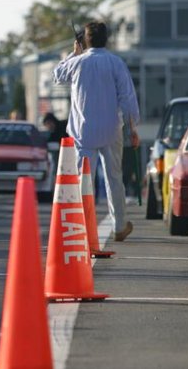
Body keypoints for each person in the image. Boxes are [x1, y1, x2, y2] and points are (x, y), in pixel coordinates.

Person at [53, 21, 140, 242]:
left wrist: (74, 54)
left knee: (84, 180)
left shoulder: (78, 62)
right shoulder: (115, 62)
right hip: (112, 129)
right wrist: (133, 128)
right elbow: (127, 97)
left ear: (85, 40)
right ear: (106, 39)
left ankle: (81, 226)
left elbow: (58, 75)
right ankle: (119, 225)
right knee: (114, 178)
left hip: (84, 132)